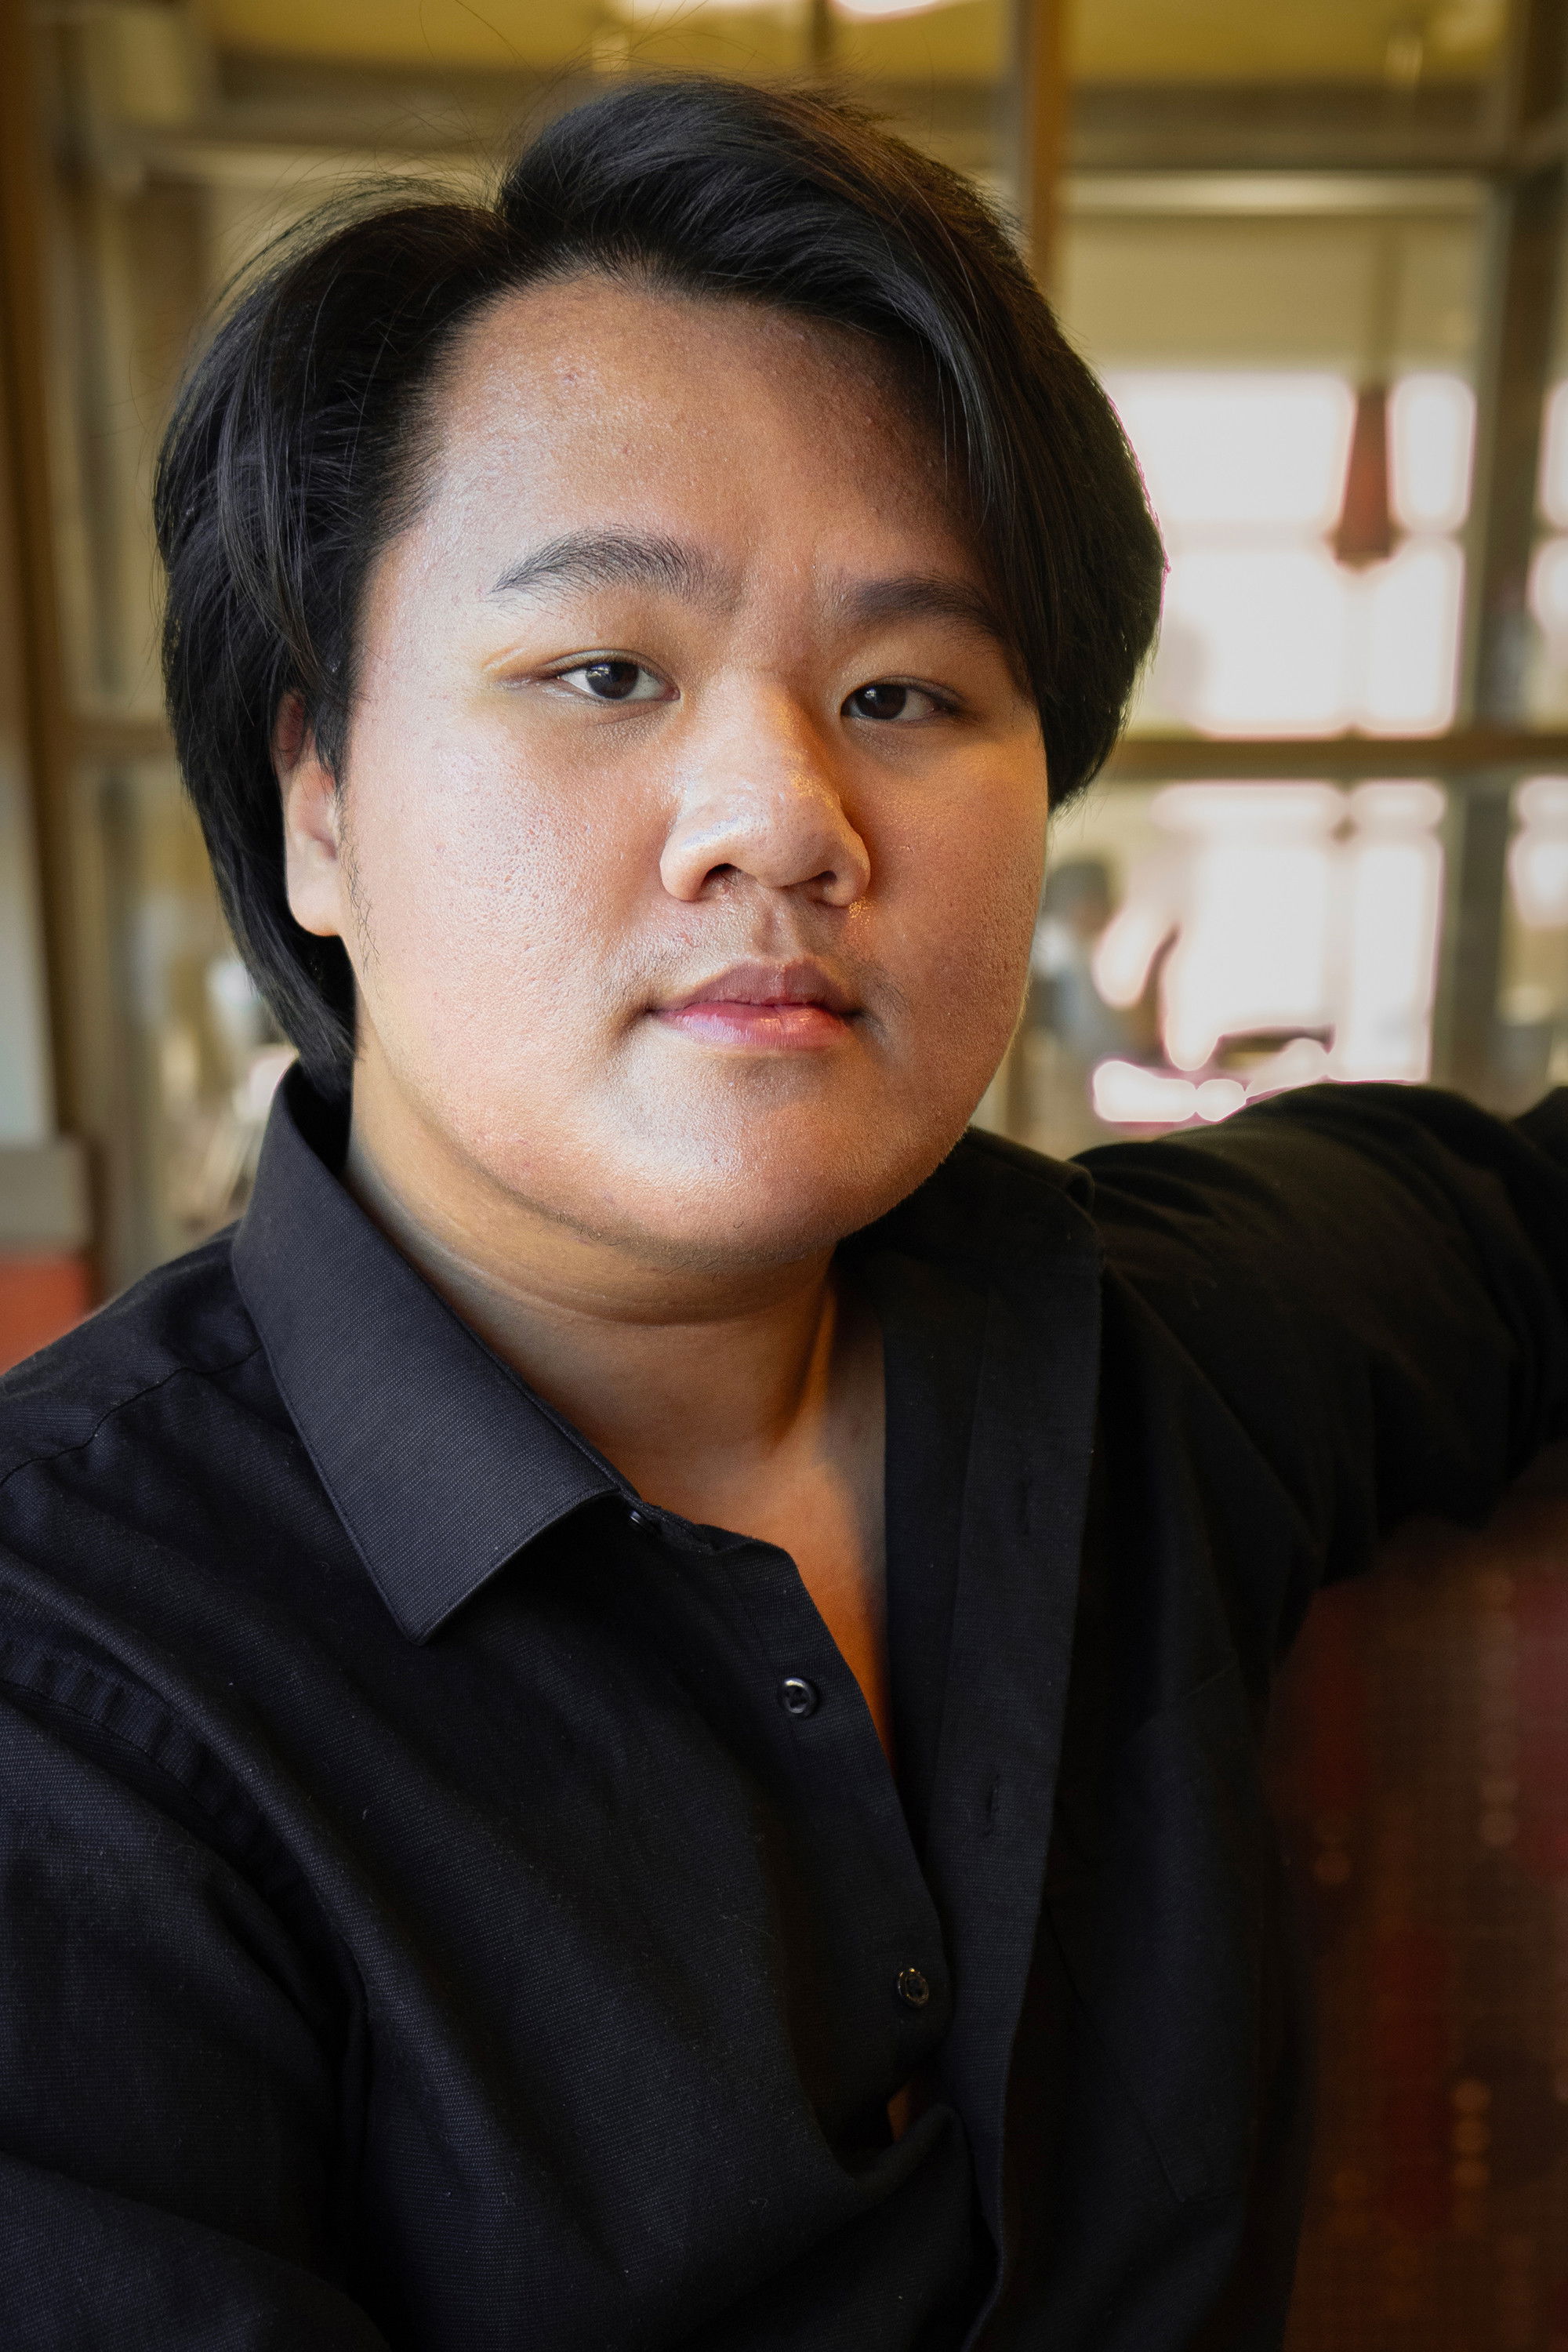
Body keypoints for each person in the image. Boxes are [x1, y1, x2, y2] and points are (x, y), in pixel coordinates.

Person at [2, 75, 1565, 2352]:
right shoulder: (69, 1679)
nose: (781, 813)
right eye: (605, 672)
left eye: (904, 690)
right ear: (319, 796)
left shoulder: (1138, 1346)